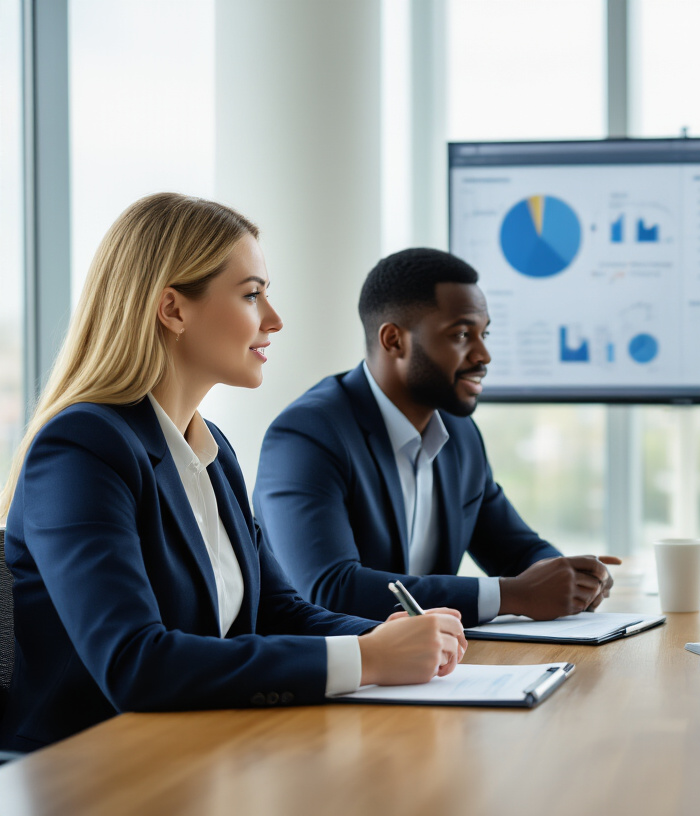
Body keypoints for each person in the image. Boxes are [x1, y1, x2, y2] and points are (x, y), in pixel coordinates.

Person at [0, 194, 466, 752]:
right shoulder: (81, 448)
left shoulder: (210, 448)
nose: (274, 319)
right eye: (252, 295)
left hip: (193, 749)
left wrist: (387, 635)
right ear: (173, 309)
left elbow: (274, 609)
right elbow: (134, 663)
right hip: (82, 770)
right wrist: (368, 658)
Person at [254, 248, 619, 625]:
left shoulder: (458, 434)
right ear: (394, 340)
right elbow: (329, 589)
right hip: (338, 675)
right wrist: (515, 594)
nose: (484, 355)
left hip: (432, 668)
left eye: (484, 333)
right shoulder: (307, 435)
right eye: (462, 334)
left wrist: (570, 577)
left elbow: (515, 549)